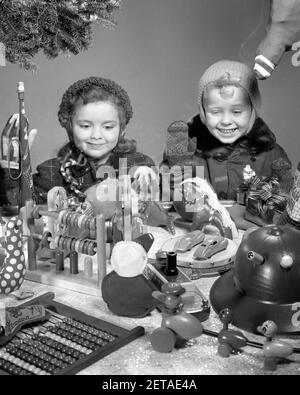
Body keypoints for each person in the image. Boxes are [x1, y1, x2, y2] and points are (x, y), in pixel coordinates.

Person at [162, 60, 292, 201]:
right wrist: (174, 174)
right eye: (215, 112)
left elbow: (286, 198)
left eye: (236, 111)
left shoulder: (271, 155)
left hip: (250, 222)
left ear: (252, 111)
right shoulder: (188, 149)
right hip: (201, 222)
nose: (226, 121)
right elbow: (168, 196)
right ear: (203, 112)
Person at [32, 76, 156, 205]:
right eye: (85, 126)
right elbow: (21, 203)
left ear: (121, 130)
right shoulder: (52, 172)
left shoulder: (139, 165)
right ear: (70, 127)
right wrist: (14, 168)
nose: (96, 135)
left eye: (108, 127)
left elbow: (170, 198)